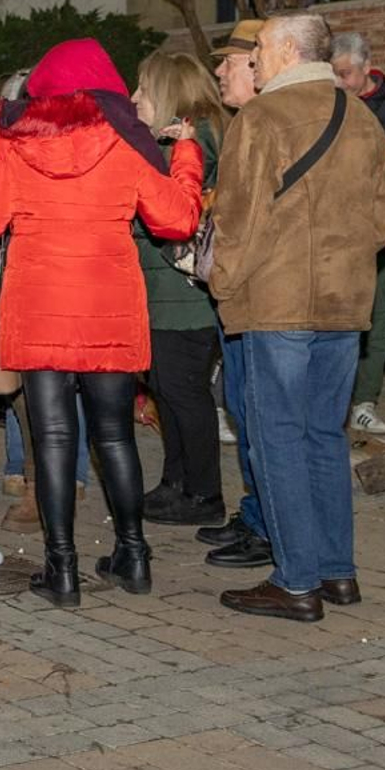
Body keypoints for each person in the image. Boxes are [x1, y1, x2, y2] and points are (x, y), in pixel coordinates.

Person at [0, 38, 203, 605]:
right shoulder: (126, 140)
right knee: (116, 436)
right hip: (109, 310)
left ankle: (63, 569)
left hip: (40, 309)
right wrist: (188, 155)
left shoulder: (13, 143)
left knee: (51, 440)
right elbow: (176, 220)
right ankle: (134, 556)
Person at [210, 12, 385, 622]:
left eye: (261, 46)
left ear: (289, 50)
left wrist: (223, 284)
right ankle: (337, 572)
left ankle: (295, 582)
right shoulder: (362, 117)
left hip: (277, 302)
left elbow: (238, 220)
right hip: (344, 305)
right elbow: (384, 220)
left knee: (277, 438)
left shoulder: (262, 117)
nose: (255, 57)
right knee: (323, 436)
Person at [130, 52, 229, 527]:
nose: (134, 99)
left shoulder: (198, 141)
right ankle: (176, 483)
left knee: (185, 393)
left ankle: (205, 494)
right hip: (165, 295)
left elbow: (170, 212)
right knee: (168, 391)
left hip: (184, 299)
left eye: (143, 90)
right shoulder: (177, 143)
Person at [197, 20, 275, 569]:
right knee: (244, 410)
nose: (219, 70)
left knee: (261, 416)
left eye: (230, 61)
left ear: (258, 64)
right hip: (242, 296)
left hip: (261, 294)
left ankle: (270, 526)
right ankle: (256, 513)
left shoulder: (264, 125)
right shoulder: (241, 123)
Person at [329, 33, 385, 435]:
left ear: (367, 66)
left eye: (345, 74)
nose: (340, 82)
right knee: (367, 313)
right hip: (351, 230)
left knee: (378, 313)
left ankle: (363, 401)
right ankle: (358, 402)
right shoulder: (335, 108)